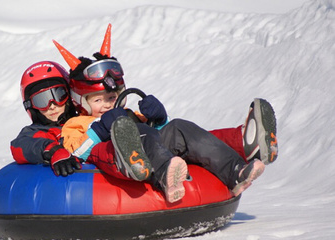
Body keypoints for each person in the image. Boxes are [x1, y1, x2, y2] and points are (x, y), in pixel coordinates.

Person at [51, 24, 275, 201]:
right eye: (99, 100)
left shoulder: (125, 113)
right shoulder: (76, 123)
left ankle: (235, 170)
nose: (108, 104)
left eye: (111, 97)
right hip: (115, 162)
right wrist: (100, 128)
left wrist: (158, 119)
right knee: (139, 134)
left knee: (178, 126)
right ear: (81, 102)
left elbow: (157, 136)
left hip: (148, 152)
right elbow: (77, 151)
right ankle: (168, 175)